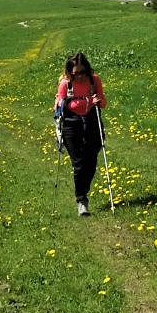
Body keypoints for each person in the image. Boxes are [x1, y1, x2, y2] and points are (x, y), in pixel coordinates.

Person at [55, 51, 107, 216]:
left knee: (91, 161)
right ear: (70, 72)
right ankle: (81, 201)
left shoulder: (94, 80)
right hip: (71, 123)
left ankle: (83, 192)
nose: (80, 77)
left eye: (83, 72)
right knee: (79, 163)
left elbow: (103, 103)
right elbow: (58, 103)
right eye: (76, 73)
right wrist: (61, 104)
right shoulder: (65, 83)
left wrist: (98, 99)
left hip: (92, 120)